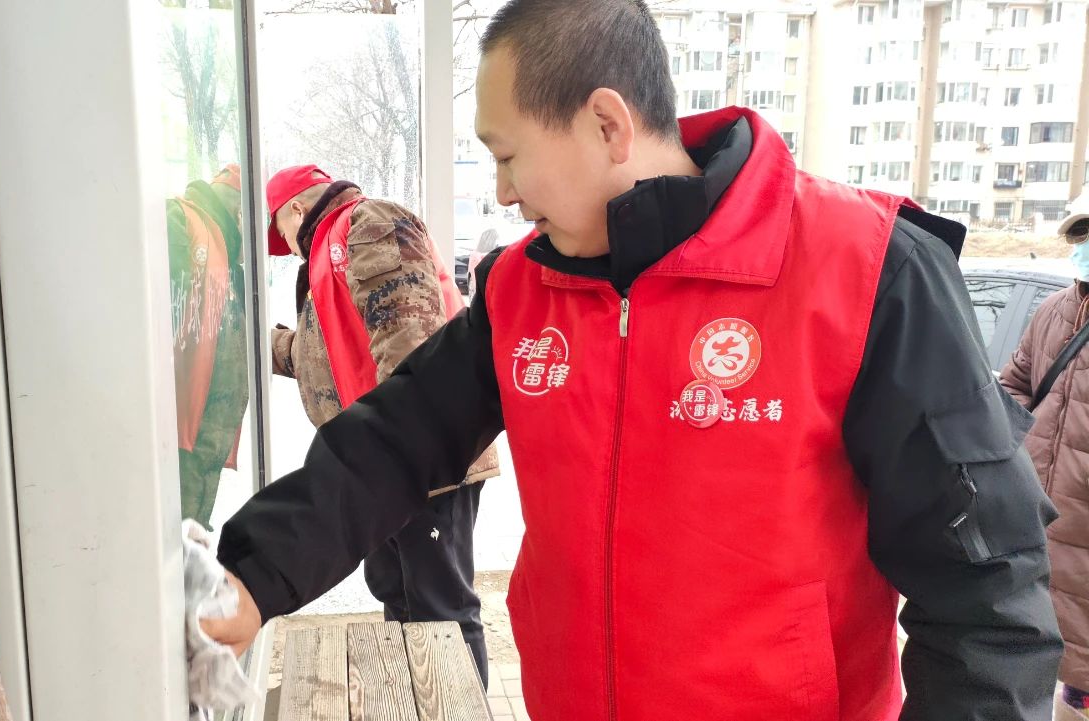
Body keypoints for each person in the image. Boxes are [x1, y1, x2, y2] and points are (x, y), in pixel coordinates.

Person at [204, 1, 1062, 718]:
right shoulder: (522, 289)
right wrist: (248, 578)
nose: (502, 192)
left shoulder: (867, 269)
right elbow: (394, 441)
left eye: (507, 155)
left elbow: (988, 594)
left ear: (607, 124)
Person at [260, 164, 499, 681]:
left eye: (281, 232)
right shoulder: (328, 254)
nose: (289, 248)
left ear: (296, 210)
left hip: (422, 463)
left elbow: (412, 344)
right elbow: (319, 356)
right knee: (398, 594)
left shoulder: (368, 223)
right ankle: (416, 704)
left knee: (441, 609)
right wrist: (256, 344)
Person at [1000, 195, 1089, 720]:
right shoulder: (1054, 310)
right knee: (1058, 667)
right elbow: (1013, 384)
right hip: (1043, 524)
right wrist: (1023, 444)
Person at [167, 164, 250, 529]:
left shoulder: (229, 260)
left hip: (208, 439)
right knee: (176, 533)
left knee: (191, 530)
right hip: (184, 429)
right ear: (240, 214)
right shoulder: (179, 219)